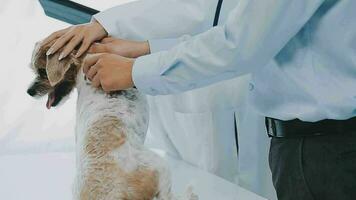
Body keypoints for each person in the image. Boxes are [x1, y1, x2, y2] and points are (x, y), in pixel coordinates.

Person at [77, 0, 356, 199]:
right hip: (316, 146)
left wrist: (136, 71)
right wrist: (146, 48)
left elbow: (241, 43)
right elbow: (240, 21)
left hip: (323, 153)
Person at [42, 0, 276, 199]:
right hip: (172, 82)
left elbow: (221, 21)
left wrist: (113, 28)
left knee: (225, 184)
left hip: (222, 92)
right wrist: (136, 44)